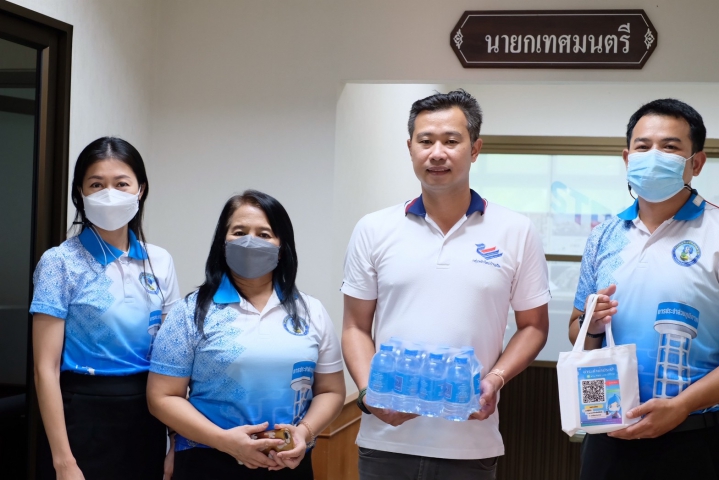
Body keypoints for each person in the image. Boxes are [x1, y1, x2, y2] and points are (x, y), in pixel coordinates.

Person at [341, 90, 550, 480]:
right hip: (386, 441)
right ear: (410, 148)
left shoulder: (515, 230)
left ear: (475, 149)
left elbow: (535, 326)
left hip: (470, 441)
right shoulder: (374, 228)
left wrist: (495, 379)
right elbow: (354, 326)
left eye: (451, 141)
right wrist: (370, 393)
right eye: (426, 141)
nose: (437, 153)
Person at [147, 190, 345, 480]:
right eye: (239, 232)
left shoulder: (310, 311)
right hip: (208, 460)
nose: (250, 241)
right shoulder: (190, 312)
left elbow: (331, 390)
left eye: (264, 234)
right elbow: (161, 396)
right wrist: (224, 441)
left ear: (282, 247)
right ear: (223, 243)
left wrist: (305, 432)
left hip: (289, 462)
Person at [569, 98, 719, 480]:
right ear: (627, 157)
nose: (653, 156)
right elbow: (576, 328)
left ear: (696, 163)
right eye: (643, 146)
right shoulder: (603, 236)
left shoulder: (715, 232)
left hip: (695, 436)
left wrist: (682, 406)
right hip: (606, 432)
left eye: (669, 147)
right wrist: (592, 324)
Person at [31, 137, 181, 480]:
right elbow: (45, 368)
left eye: (121, 184)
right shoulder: (59, 262)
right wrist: (63, 462)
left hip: (147, 414)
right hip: (81, 417)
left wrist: (177, 439)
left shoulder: (160, 261)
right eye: (96, 184)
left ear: (140, 190)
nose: (109, 194)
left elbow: (172, 360)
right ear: (80, 193)